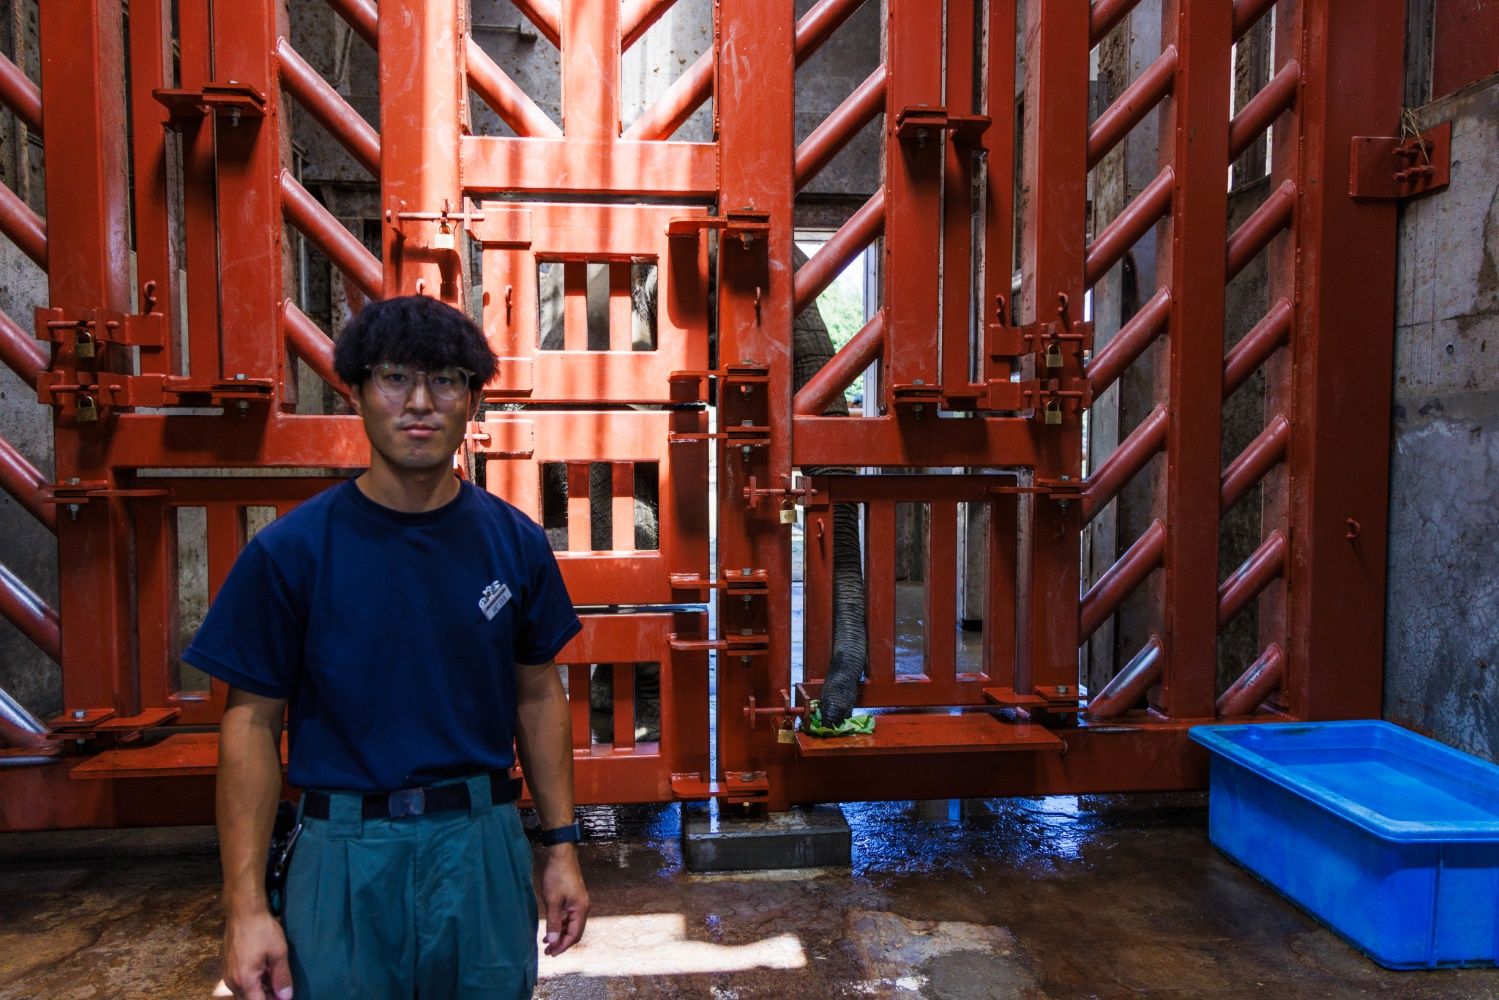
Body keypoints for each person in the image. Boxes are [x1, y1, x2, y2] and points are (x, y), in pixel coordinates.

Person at [186, 294, 589, 999]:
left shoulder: (514, 542)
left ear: (471, 401)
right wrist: (245, 907)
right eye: (395, 378)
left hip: (480, 847)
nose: (420, 403)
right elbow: (250, 724)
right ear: (357, 393)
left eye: (446, 380)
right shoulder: (291, 552)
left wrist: (560, 847)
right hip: (341, 855)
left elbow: (536, 693)